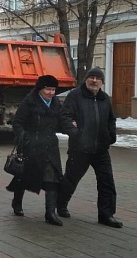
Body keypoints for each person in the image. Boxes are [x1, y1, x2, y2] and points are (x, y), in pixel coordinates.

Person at [58, 67, 122, 228]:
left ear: (102, 82)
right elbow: (65, 116)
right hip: (79, 149)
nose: (94, 80)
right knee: (71, 179)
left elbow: (111, 119)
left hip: (101, 149)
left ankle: (106, 215)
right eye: (91, 77)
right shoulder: (75, 96)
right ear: (86, 79)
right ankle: (60, 204)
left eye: (98, 78)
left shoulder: (105, 98)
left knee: (107, 182)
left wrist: (110, 136)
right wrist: (76, 134)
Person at [7, 75, 73, 225]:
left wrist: (71, 127)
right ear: (40, 89)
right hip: (31, 147)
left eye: (53, 89)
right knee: (24, 176)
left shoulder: (55, 103)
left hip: (50, 147)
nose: (50, 93)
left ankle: (50, 213)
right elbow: (17, 122)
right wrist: (24, 137)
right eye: (47, 89)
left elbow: (60, 122)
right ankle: (17, 202)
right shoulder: (29, 102)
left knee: (52, 177)